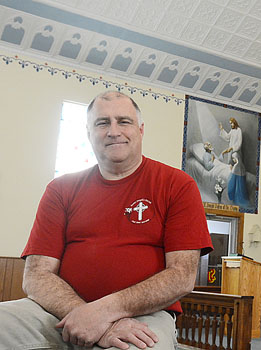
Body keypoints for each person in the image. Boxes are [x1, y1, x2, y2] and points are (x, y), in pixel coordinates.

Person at [0, 91, 212, 349]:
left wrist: (105, 313)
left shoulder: (177, 185)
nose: (113, 131)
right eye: (102, 123)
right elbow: (35, 276)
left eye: (124, 121)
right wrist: (86, 315)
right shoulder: (60, 189)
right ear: (89, 132)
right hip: (59, 312)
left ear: (140, 129)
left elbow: (182, 275)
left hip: (143, 317)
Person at [219, 117, 250, 207]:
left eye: (232, 123)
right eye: (230, 124)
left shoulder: (238, 130)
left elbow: (239, 143)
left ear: (235, 123)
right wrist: (222, 129)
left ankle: (237, 189)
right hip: (231, 151)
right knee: (231, 167)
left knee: (236, 165)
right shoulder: (232, 131)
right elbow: (227, 137)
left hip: (236, 151)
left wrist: (232, 148)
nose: (231, 125)